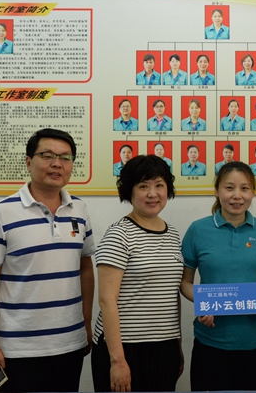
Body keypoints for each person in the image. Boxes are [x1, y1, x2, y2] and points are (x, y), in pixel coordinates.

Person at [0, 128, 95, 392]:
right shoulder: (1, 212)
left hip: (70, 345)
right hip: (18, 350)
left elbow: (85, 269)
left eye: (65, 157)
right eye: (48, 156)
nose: (57, 164)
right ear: (29, 162)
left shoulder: (79, 209)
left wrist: (86, 325)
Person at [180, 162, 256, 391]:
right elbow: (185, 282)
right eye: (229, 188)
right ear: (217, 191)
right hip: (211, 341)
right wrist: (203, 302)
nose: (237, 195)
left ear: (253, 192)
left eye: (245, 188)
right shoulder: (198, 230)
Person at [91, 155, 184, 392]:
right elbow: (107, 300)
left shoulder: (173, 234)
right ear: (129, 191)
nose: (152, 194)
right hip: (124, 348)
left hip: (164, 347)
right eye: (143, 186)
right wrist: (117, 361)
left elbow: (171, 294)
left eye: (159, 185)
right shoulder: (119, 235)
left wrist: (177, 344)